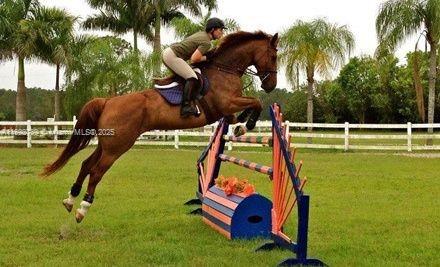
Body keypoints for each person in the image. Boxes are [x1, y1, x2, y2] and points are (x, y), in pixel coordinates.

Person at [162, 17, 226, 117]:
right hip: (172, 56)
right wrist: (208, 57)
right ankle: (185, 107)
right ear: (213, 29)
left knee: (189, 74)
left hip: (169, 53)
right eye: (220, 30)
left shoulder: (203, 35)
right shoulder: (206, 42)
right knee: (192, 77)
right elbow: (194, 59)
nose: (222, 32)